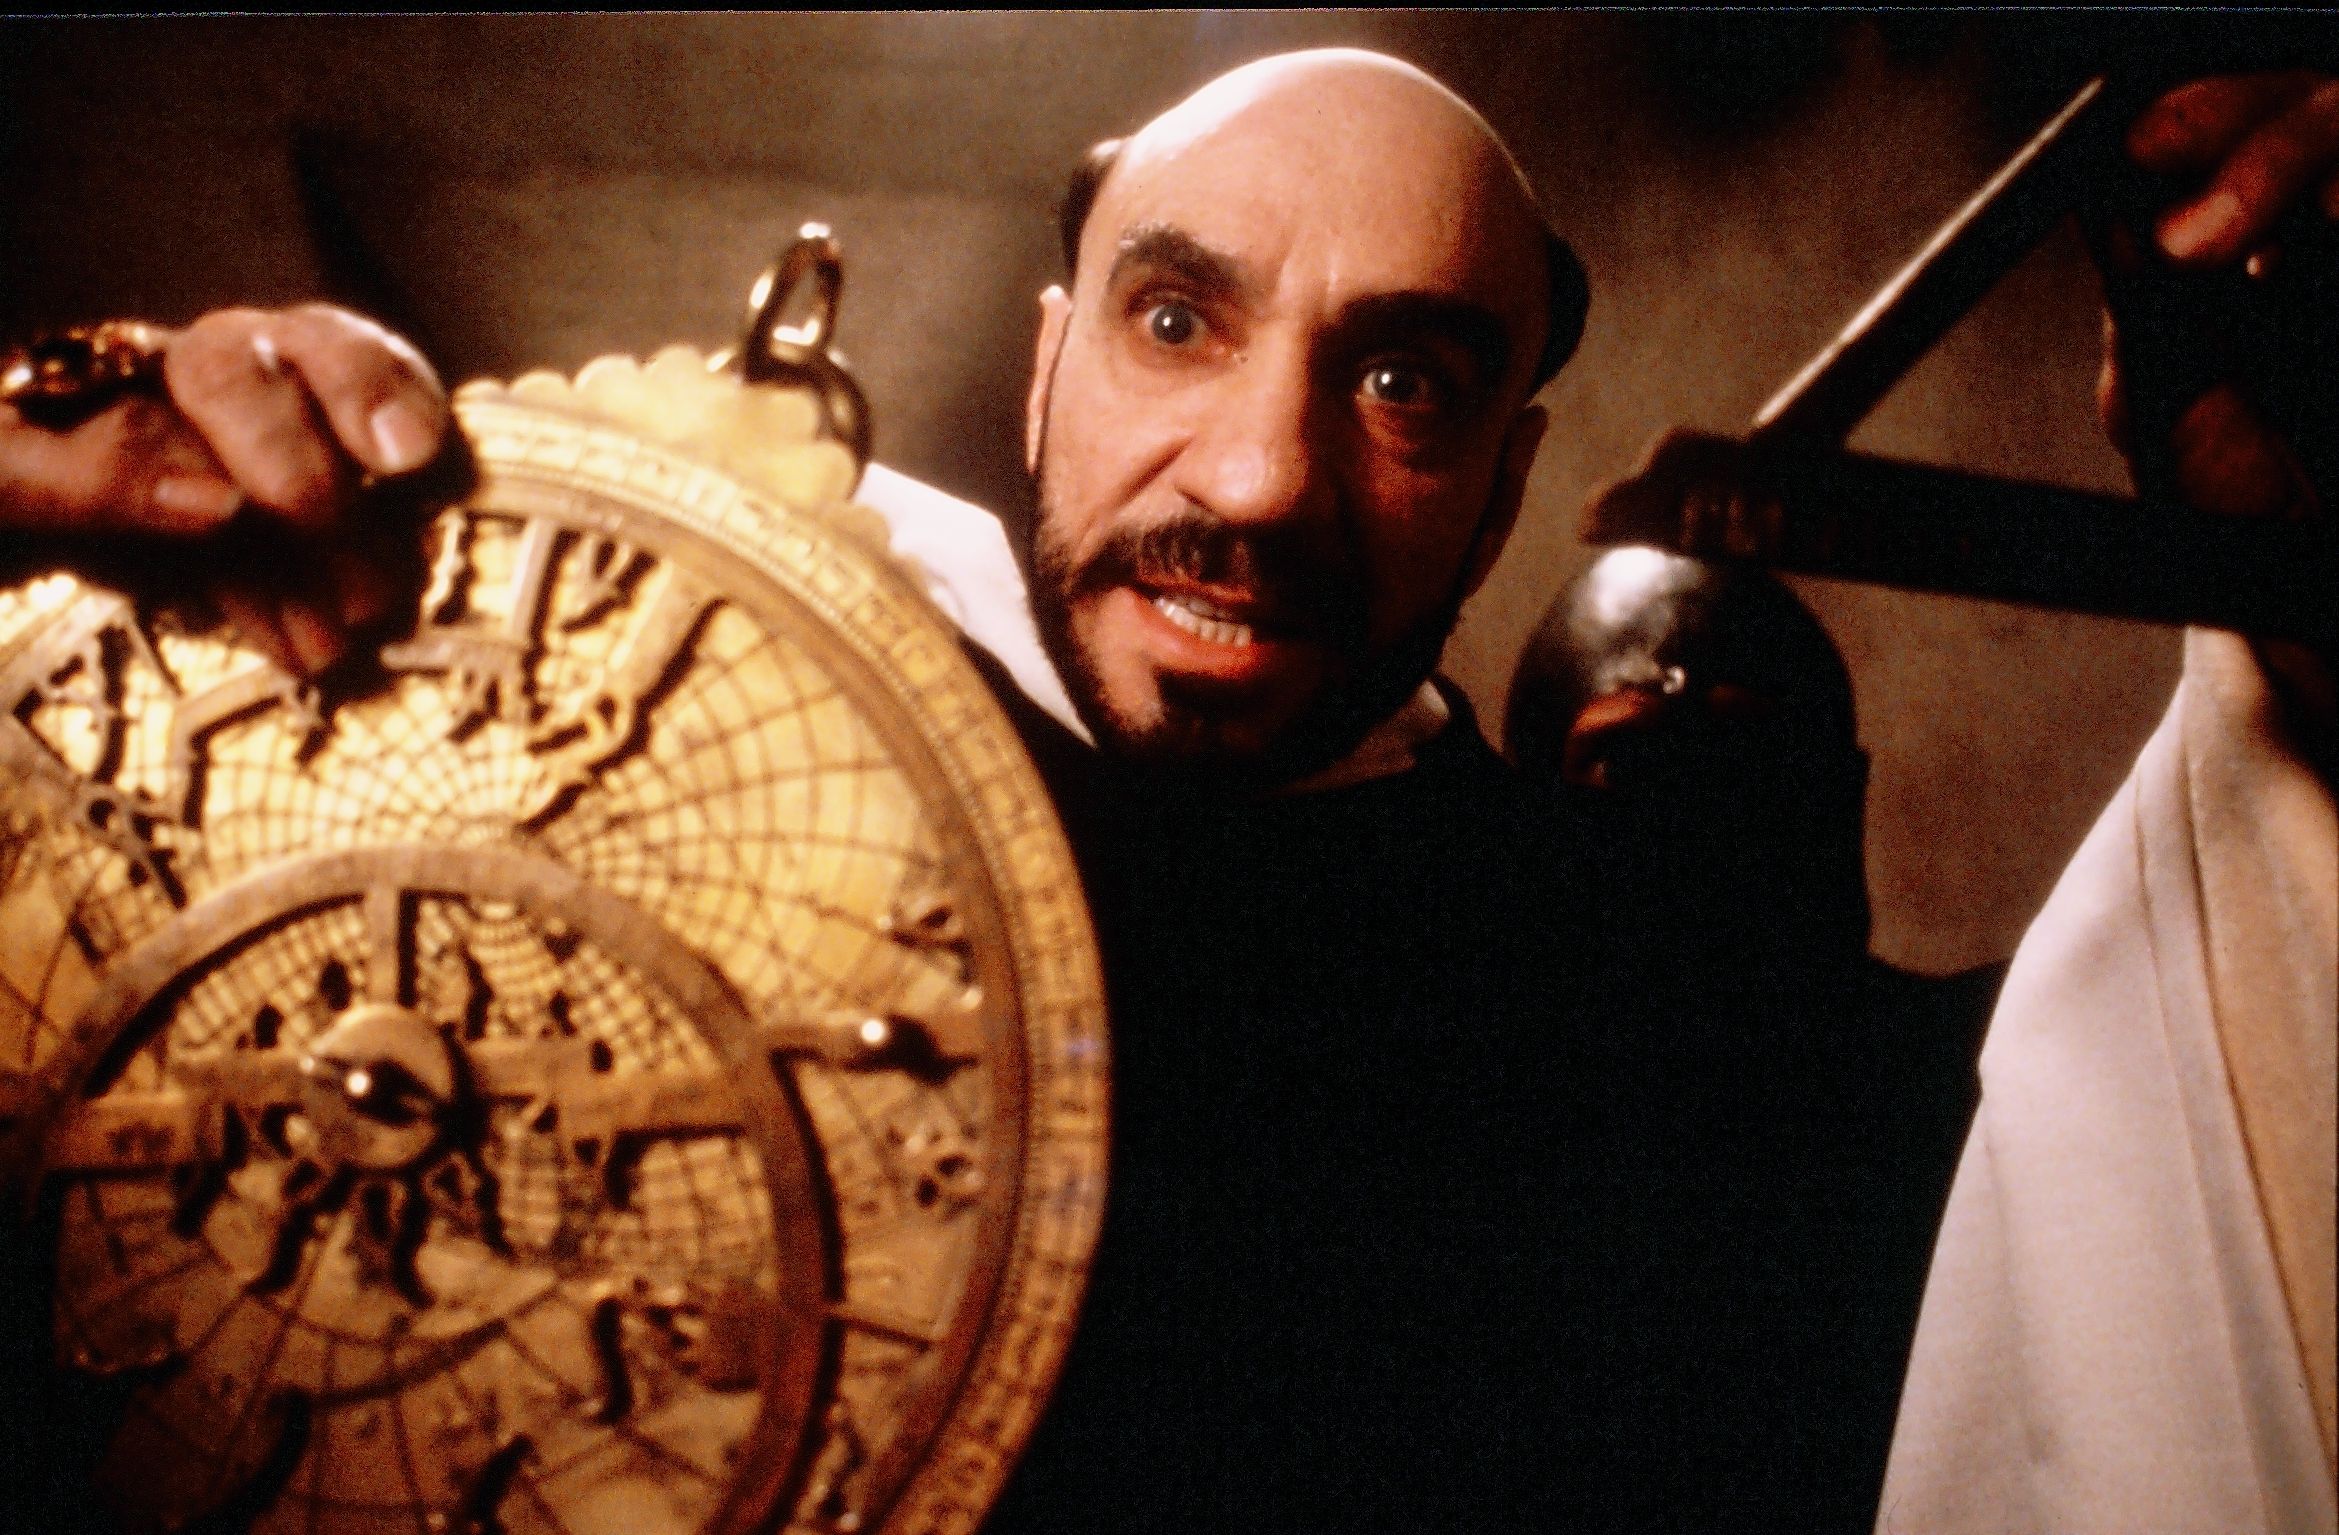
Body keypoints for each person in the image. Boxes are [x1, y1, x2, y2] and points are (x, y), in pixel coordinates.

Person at [1, 45, 2331, 1535]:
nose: (1258, 478)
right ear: (1046, 371)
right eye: (1180, 320)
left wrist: (2304, 642)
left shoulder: (1656, 1045)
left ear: (1507, 476)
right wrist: (70, 519)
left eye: (1404, 383)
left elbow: (2160, 1215)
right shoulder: (584, 718)